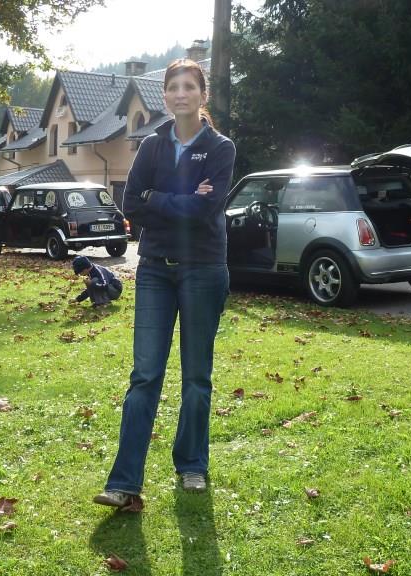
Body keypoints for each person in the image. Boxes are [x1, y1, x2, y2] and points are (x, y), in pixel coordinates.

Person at [92, 59, 236, 509]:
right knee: (145, 375)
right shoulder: (152, 146)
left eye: (189, 86)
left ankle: (192, 464)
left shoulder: (220, 148)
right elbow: (131, 204)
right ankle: (124, 483)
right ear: (165, 95)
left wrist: (158, 198)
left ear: (202, 95)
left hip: (203, 269)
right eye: (173, 87)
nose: (180, 94)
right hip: (155, 269)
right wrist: (182, 200)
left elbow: (207, 212)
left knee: (196, 375)